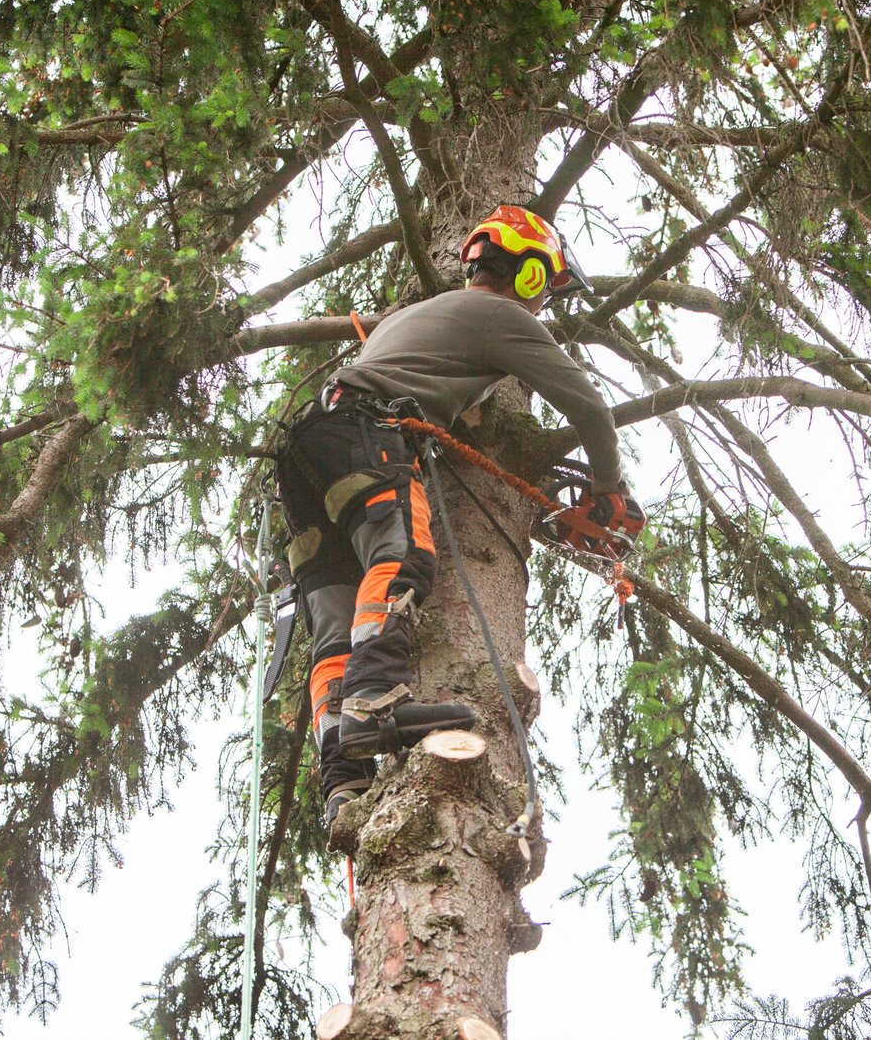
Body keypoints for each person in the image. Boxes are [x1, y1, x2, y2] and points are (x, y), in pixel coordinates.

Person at [274, 205, 646, 827]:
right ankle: (370, 704)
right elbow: (590, 408)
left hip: (309, 453)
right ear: (527, 277)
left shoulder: (415, 319)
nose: (543, 306)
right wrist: (608, 485)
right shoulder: (499, 314)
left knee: (336, 620)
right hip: (368, 432)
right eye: (544, 290)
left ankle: (343, 780)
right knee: (403, 552)